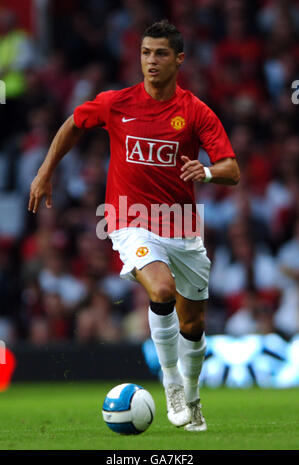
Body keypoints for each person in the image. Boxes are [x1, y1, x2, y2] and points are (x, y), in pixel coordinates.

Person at [28, 20, 240, 431]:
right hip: (129, 220)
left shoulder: (195, 112)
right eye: (145, 53)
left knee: (193, 326)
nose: (151, 61)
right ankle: (171, 383)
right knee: (160, 290)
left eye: (160, 53)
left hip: (182, 227)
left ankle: (192, 397)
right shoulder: (116, 103)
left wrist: (208, 173)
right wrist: (46, 170)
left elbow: (232, 169)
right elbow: (73, 122)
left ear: (179, 59)